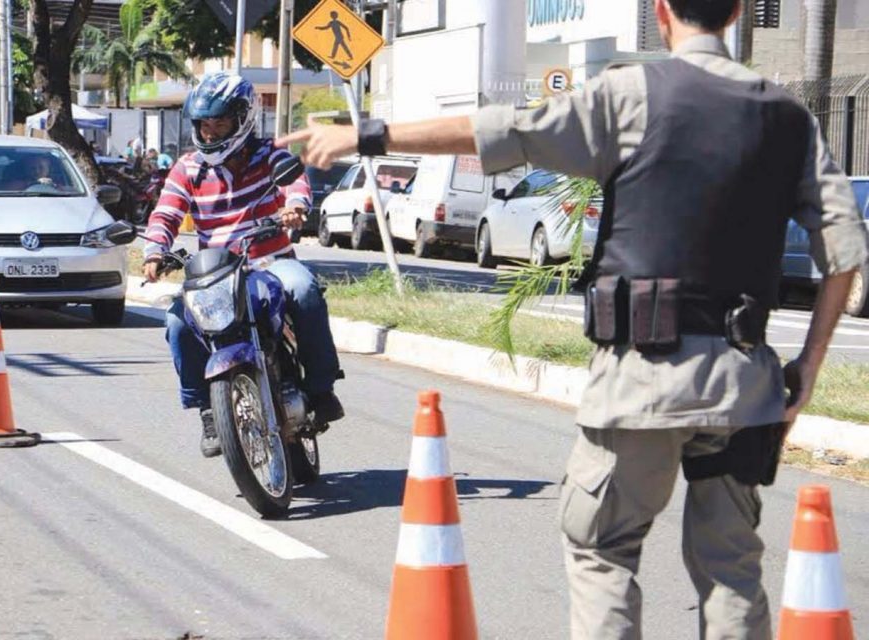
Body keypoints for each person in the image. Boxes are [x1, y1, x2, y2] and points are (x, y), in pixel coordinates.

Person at [278, 0, 868, 637]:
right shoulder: (786, 117)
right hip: (742, 388)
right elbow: (844, 246)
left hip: (640, 381)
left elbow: (504, 131)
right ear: (736, 14)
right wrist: (807, 365)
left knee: (603, 550)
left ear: (663, 12)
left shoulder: (631, 96)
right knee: (731, 571)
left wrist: (366, 136)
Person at [144, 71, 345, 458]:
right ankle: (206, 408)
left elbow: (296, 183)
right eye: (204, 123)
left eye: (219, 121)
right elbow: (165, 214)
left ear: (242, 118)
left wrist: (295, 206)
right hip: (216, 272)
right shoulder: (188, 168)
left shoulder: (270, 155)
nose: (210, 131)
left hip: (270, 261)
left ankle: (321, 389)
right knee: (176, 323)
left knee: (304, 291)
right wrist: (155, 251)